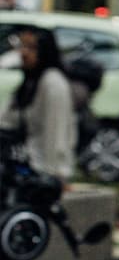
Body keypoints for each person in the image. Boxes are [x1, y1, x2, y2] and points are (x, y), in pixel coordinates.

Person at [0, 26, 77, 180]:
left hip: (40, 170)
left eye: (31, 48)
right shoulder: (30, 81)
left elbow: (57, 133)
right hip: (21, 164)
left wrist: (57, 175)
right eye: (22, 46)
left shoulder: (52, 82)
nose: (23, 53)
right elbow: (6, 120)